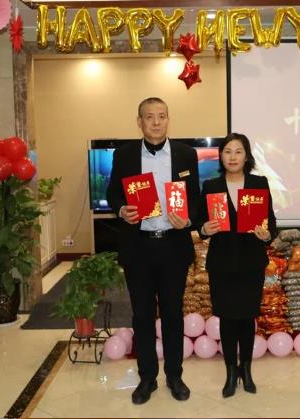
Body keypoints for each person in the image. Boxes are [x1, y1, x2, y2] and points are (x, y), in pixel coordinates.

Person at [106, 97, 200, 405]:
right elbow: (113, 192)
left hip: (173, 246)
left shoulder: (186, 154)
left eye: (161, 116)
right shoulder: (124, 155)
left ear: (168, 119)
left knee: (173, 314)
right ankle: (147, 377)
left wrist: (188, 219)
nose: (156, 122)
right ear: (140, 122)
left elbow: (195, 198)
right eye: (150, 117)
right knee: (143, 315)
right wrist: (121, 210)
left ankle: (175, 375)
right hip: (139, 247)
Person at [198, 133, 278, 398]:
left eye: (238, 151)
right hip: (222, 264)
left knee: (246, 317)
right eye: (227, 151)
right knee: (227, 319)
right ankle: (231, 372)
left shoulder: (258, 183)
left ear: (246, 156)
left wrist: (266, 234)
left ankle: (247, 369)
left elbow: (271, 223)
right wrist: (205, 229)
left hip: (251, 262)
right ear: (221, 156)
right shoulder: (211, 186)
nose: (232, 157)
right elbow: (200, 222)